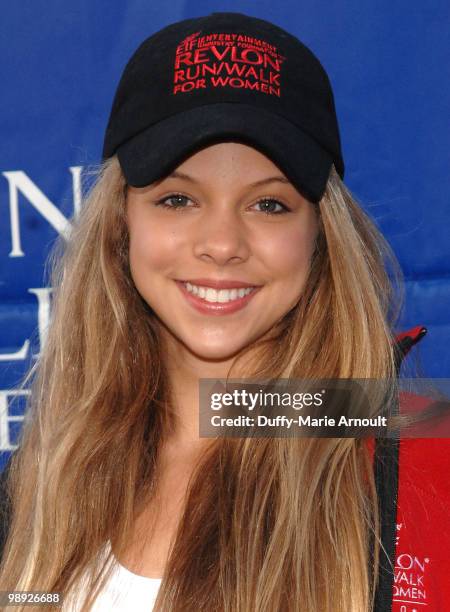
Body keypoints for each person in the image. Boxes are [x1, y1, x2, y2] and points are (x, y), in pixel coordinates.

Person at [0, 11, 449, 612]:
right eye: (178, 198)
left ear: (320, 235)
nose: (222, 242)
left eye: (268, 204)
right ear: (120, 223)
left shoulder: (417, 463)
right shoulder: (46, 470)